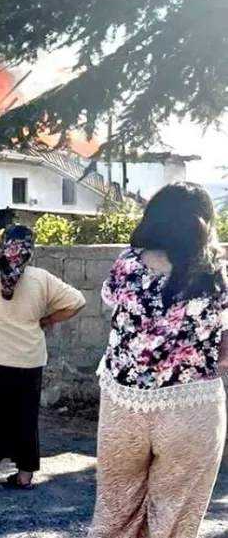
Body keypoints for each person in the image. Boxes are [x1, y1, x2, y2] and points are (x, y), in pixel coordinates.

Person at [89, 183, 228, 538]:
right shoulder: (216, 275)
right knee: (175, 522)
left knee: (114, 515)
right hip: (191, 406)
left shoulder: (126, 265)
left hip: (124, 403)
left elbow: (113, 304)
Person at [0, 225, 86, 493]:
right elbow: (77, 301)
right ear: (30, 249)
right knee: (24, 417)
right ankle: (25, 475)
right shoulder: (43, 279)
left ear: (3, 245)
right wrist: (47, 319)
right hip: (28, 360)